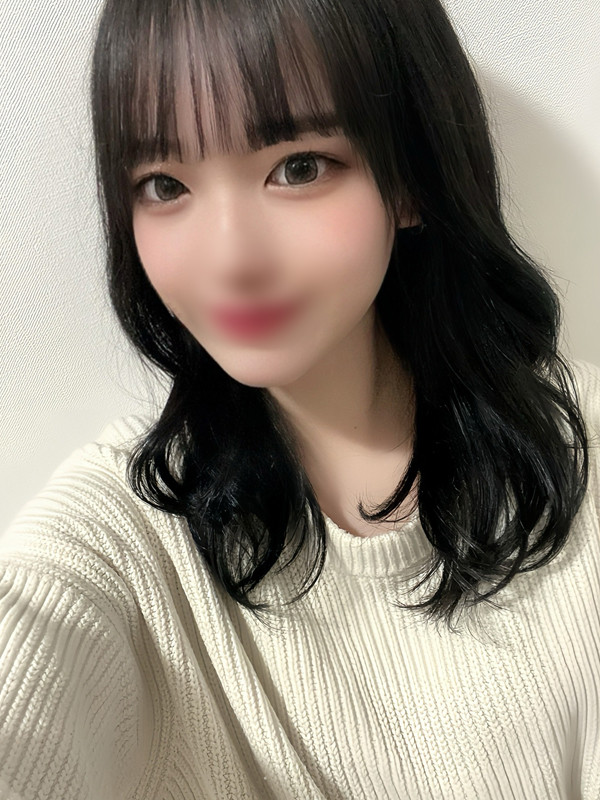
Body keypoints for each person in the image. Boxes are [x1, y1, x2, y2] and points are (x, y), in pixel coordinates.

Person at [1, 0, 598, 797]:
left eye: (299, 167)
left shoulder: (587, 451)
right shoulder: (124, 532)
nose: (230, 261)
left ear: (409, 179)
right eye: (165, 184)